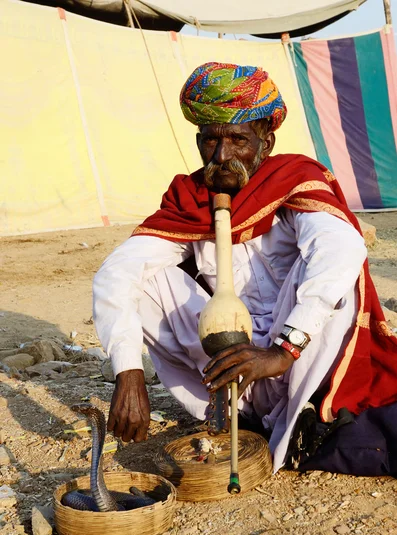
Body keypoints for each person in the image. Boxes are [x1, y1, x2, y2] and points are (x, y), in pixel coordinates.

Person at [93, 62, 397, 475]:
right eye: (210, 142)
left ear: (265, 142)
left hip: (297, 362)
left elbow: (342, 247)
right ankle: (235, 416)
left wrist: (281, 351)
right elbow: (116, 274)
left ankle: (302, 413)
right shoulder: (189, 198)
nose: (222, 157)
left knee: (328, 265)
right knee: (144, 282)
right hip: (231, 377)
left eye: (238, 140)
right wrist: (128, 370)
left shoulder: (292, 180)